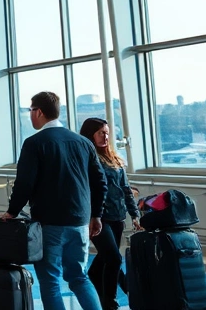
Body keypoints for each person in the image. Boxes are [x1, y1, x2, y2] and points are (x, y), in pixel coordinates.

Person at [0, 91, 107, 310]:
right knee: (79, 277)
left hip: (50, 224)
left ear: (38, 112)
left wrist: (12, 211)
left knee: (50, 282)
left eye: (30, 111)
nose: (30, 116)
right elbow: (100, 182)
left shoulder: (35, 143)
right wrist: (96, 215)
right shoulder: (83, 143)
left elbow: (24, 183)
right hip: (80, 222)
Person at [80, 118, 141, 310]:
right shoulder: (87, 159)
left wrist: (135, 214)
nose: (105, 136)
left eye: (106, 133)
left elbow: (125, 188)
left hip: (117, 216)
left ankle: (104, 293)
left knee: (106, 258)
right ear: (91, 135)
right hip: (97, 217)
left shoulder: (115, 160)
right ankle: (111, 302)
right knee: (113, 258)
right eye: (100, 133)